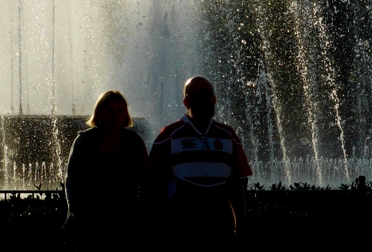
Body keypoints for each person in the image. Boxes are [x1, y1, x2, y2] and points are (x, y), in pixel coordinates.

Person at [148, 76, 252, 239]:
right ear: (186, 102)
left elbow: (235, 183)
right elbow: (154, 183)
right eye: (195, 95)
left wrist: (241, 222)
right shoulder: (169, 136)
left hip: (220, 224)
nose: (202, 99)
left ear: (214, 99)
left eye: (206, 94)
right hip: (181, 225)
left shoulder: (228, 135)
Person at [63, 90, 148, 244]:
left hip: (125, 219)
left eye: (120, 111)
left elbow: (146, 179)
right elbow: (73, 181)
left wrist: (140, 206)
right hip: (90, 220)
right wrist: (77, 211)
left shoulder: (134, 142)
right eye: (110, 111)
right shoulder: (84, 142)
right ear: (99, 113)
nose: (115, 116)